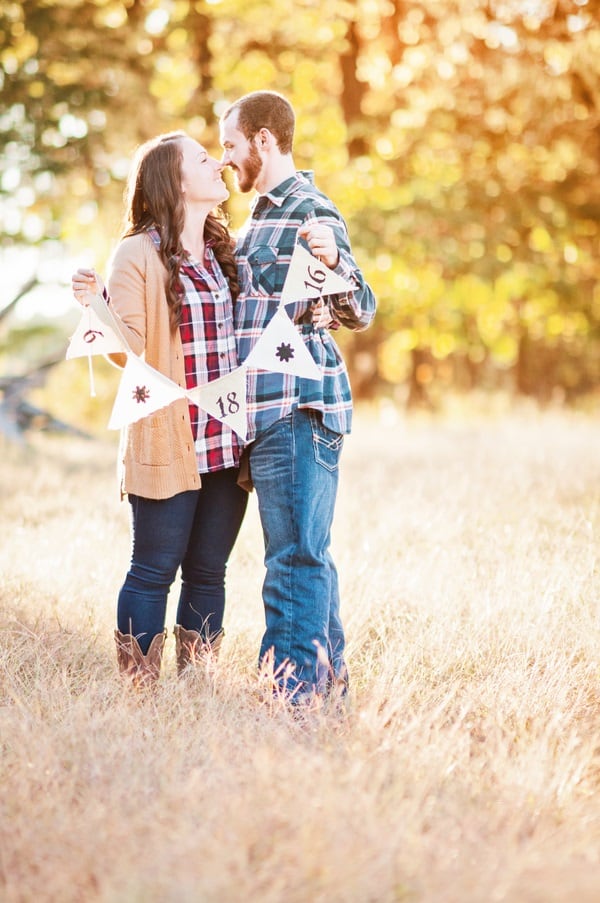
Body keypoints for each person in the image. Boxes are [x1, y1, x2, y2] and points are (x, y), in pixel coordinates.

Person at [72, 131, 248, 686]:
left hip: (225, 435)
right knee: (153, 572)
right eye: (203, 158)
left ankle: (197, 685)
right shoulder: (137, 253)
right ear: (174, 180)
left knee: (208, 572)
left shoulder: (226, 251)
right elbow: (125, 350)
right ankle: (141, 690)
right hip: (168, 436)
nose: (218, 162)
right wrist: (93, 303)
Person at [220, 90, 376, 705]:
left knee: (294, 561)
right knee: (306, 555)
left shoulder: (310, 210)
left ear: (263, 139)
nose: (226, 157)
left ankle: (292, 701)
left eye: (231, 144)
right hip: (266, 411)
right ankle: (328, 690)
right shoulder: (258, 215)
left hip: (297, 408)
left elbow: (359, 307)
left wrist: (335, 260)